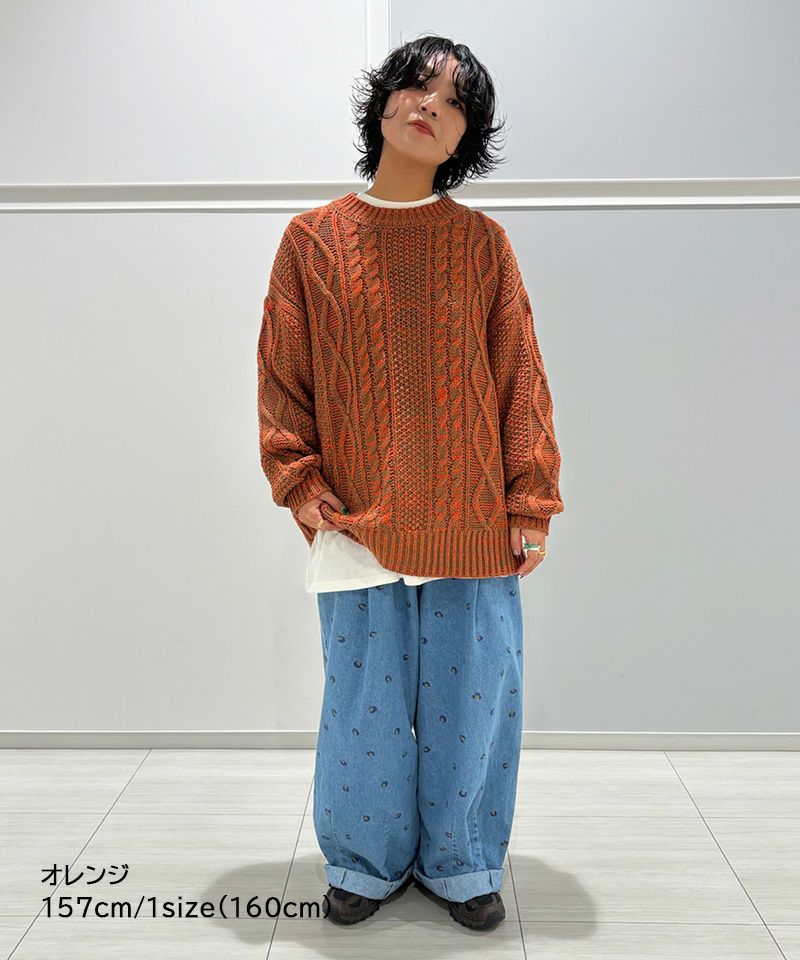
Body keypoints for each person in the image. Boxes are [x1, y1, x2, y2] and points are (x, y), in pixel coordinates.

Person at [257, 34, 564, 931]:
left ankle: (464, 864)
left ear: (467, 136)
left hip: (473, 523)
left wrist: (531, 500)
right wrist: (300, 484)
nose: (432, 105)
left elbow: (519, 377)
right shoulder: (311, 241)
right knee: (365, 710)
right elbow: (282, 376)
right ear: (383, 101)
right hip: (356, 525)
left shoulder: (483, 245)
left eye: (455, 101)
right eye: (418, 86)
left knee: (474, 705)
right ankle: (365, 860)